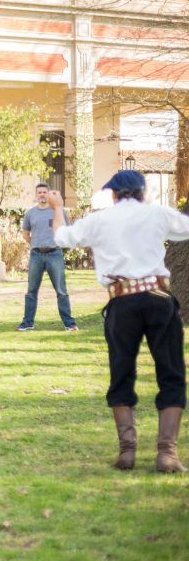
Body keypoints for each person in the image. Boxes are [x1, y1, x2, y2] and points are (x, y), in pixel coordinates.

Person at [51, 170, 189, 472]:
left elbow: (62, 237)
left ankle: (127, 451)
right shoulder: (157, 213)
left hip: (122, 300)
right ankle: (167, 453)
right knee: (171, 373)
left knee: (121, 372)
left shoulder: (100, 219)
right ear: (142, 192)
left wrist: (58, 207)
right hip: (157, 296)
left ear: (113, 195)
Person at [17, 183, 78, 332]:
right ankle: (27, 323)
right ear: (36, 195)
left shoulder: (58, 211)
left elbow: (67, 230)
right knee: (31, 291)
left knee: (61, 291)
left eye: (45, 192)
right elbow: (25, 234)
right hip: (36, 255)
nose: (42, 194)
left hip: (54, 254)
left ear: (48, 194)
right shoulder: (30, 214)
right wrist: (36, 243)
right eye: (39, 192)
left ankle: (69, 323)